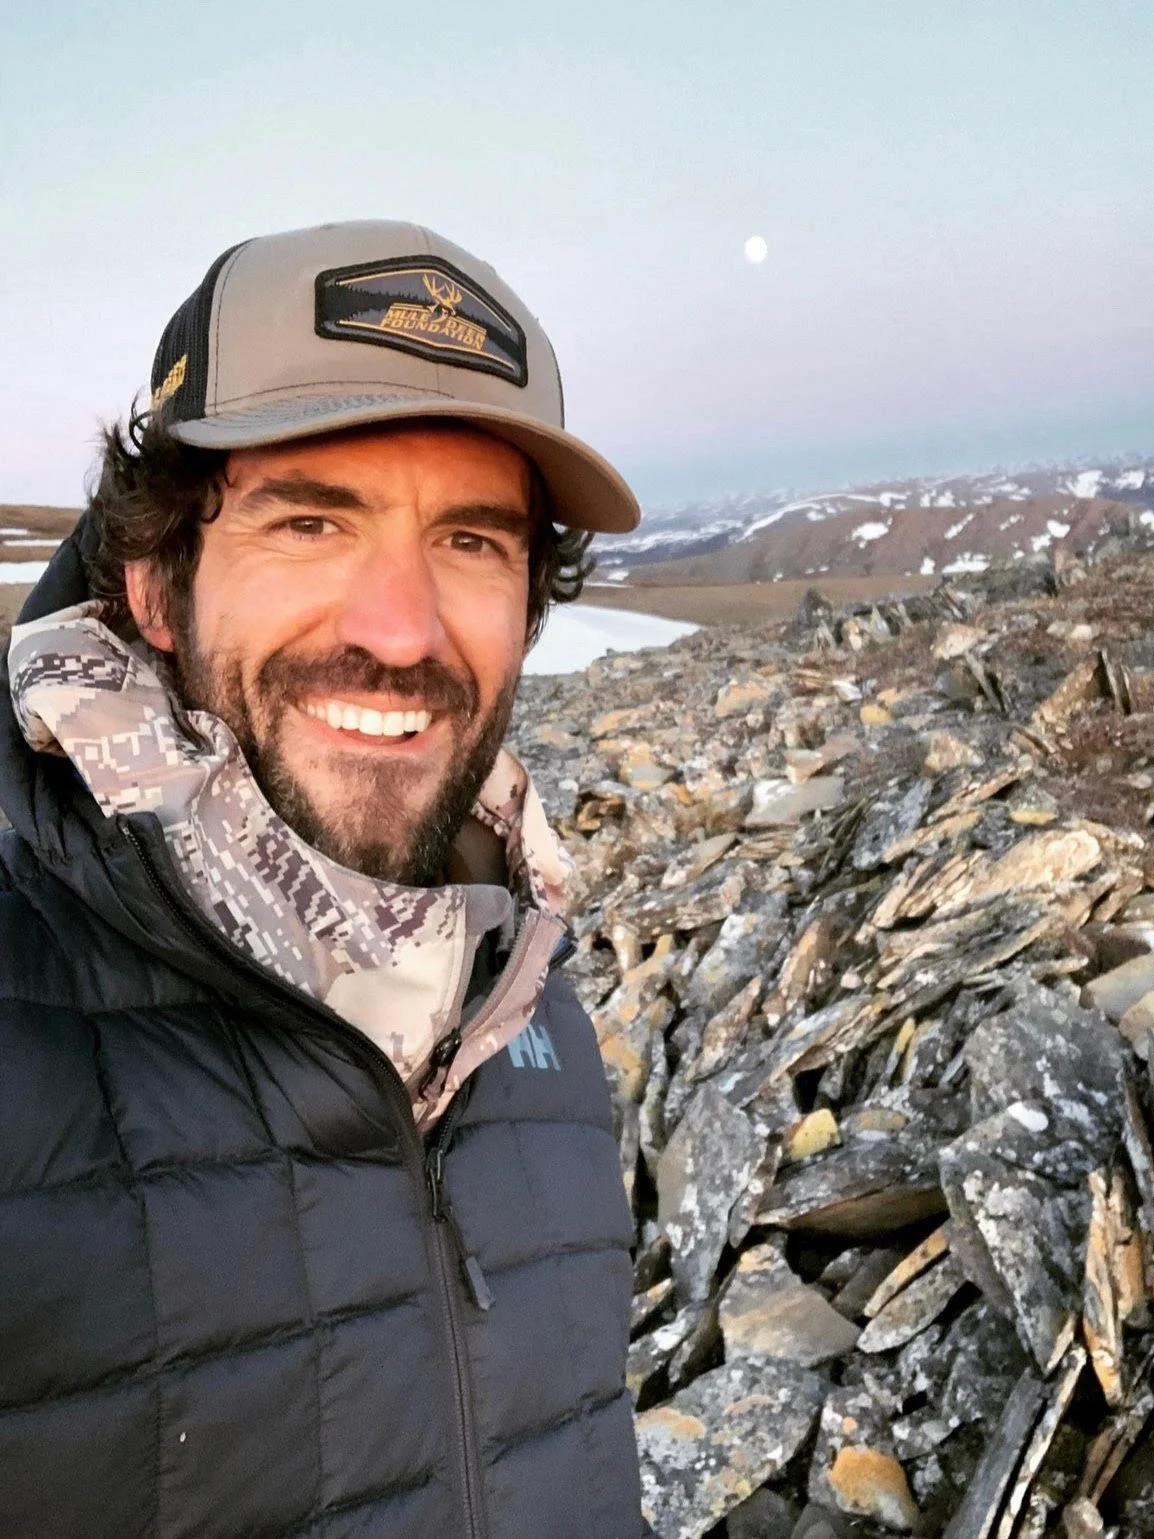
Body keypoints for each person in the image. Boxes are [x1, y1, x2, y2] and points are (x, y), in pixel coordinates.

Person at [0, 221, 652, 1538]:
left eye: (470, 540)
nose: (400, 631)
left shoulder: (526, 1011)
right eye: (309, 521)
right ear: (156, 583)